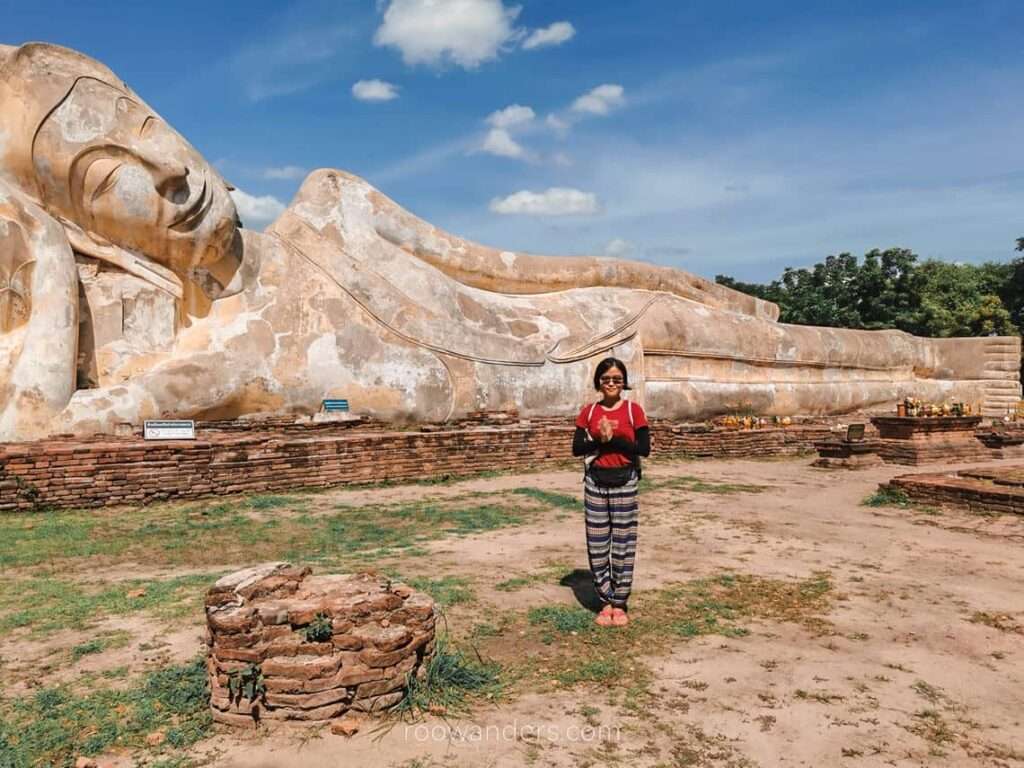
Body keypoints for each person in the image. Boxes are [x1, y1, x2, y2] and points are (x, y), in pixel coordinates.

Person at [572, 357, 651, 628]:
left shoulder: (633, 411)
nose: (611, 384)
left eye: (617, 379)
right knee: (597, 543)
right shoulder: (589, 412)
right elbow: (576, 448)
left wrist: (612, 439)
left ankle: (619, 601)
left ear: (624, 382)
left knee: (623, 545)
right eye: (606, 379)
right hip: (596, 483)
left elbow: (643, 448)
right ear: (598, 382)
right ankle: (605, 600)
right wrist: (598, 439)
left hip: (625, 481)